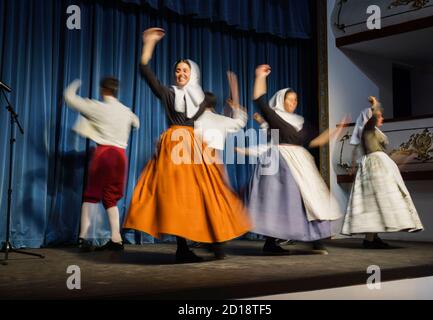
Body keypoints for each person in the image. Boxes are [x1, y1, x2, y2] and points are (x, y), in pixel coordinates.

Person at [123, 28, 250, 263]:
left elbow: (228, 119)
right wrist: (148, 44)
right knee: (179, 196)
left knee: (208, 192)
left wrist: (234, 93)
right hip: (175, 145)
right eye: (177, 70)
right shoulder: (168, 93)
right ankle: (183, 248)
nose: (180, 74)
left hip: (194, 145)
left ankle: (214, 242)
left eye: (185, 70)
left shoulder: (200, 99)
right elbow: (144, 70)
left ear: (193, 74)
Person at [247, 64, 343, 255]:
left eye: (295, 100)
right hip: (281, 162)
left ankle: (315, 237)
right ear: (282, 100)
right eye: (289, 99)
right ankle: (271, 242)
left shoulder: (301, 122)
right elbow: (259, 99)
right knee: (281, 201)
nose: (293, 103)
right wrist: (260, 76)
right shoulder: (274, 117)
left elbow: (314, 141)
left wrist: (335, 132)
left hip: (302, 163)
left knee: (312, 200)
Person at [64, 77, 140, 252]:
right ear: (115, 90)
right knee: (110, 197)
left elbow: (70, 97)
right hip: (121, 157)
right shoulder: (125, 110)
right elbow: (136, 123)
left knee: (91, 195)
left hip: (104, 153)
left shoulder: (97, 107)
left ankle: (84, 238)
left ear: (103, 90)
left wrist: (77, 82)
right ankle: (116, 239)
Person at [342, 109, 424, 248]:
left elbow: (384, 151)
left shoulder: (374, 132)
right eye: (379, 116)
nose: (382, 118)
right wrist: (374, 105)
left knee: (379, 201)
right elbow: (371, 122)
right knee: (375, 201)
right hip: (374, 166)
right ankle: (369, 240)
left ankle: (372, 238)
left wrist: (405, 155)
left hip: (380, 164)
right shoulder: (367, 129)